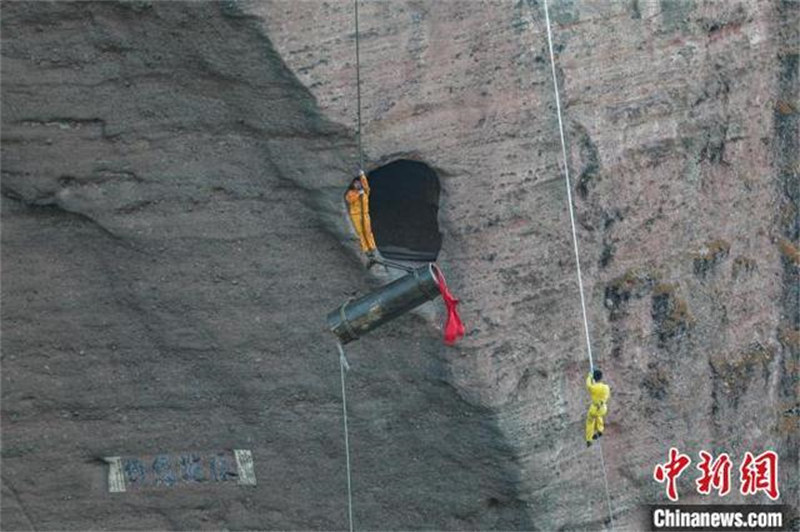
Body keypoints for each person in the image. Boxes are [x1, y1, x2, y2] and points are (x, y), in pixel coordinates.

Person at [345, 170, 378, 267]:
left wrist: (362, 176)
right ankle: (366, 250)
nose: (358, 184)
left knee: (368, 231)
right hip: (356, 215)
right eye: (355, 183)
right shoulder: (351, 193)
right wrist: (358, 194)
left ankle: (372, 248)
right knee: (360, 232)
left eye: (358, 183)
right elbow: (349, 200)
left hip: (365, 214)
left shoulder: (365, 191)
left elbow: (366, 186)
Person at [585, 369, 610, 446]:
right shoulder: (606, 387)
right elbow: (607, 397)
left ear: (594, 378)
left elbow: (588, 386)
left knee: (590, 422)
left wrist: (589, 377)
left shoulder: (594, 388)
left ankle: (589, 439)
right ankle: (600, 430)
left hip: (595, 409)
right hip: (603, 408)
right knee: (599, 416)